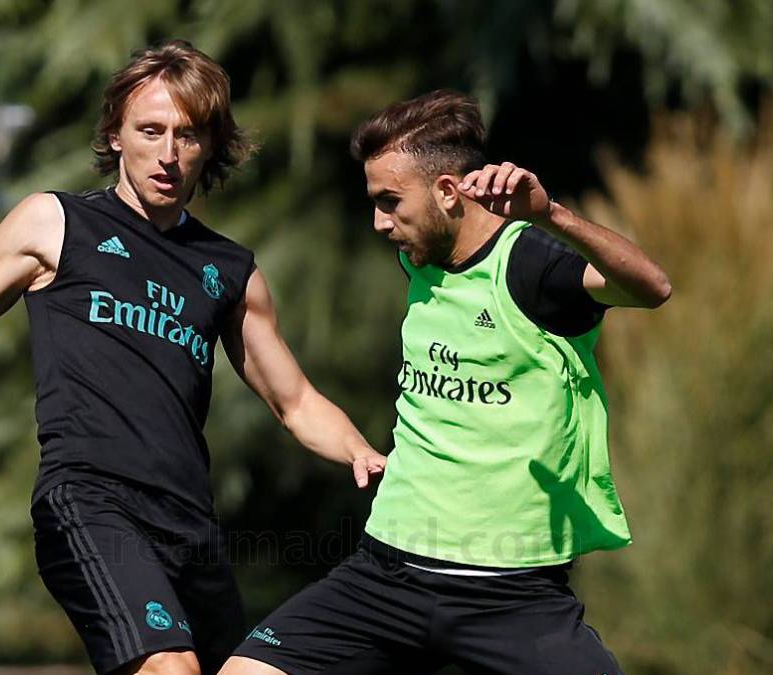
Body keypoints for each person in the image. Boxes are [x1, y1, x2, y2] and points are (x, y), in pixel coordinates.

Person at [0, 41, 386, 675]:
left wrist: (359, 451)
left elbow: (296, 401)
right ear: (116, 134)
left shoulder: (231, 272)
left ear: (210, 146)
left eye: (188, 136)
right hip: (90, 500)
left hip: (189, 521)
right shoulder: (54, 223)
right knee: (170, 668)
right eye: (150, 131)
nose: (169, 154)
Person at [224, 90, 671, 674]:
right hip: (387, 574)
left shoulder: (530, 265)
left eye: (390, 202)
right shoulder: (422, 259)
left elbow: (651, 288)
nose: (379, 223)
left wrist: (550, 215)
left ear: (446, 192)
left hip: (511, 595)